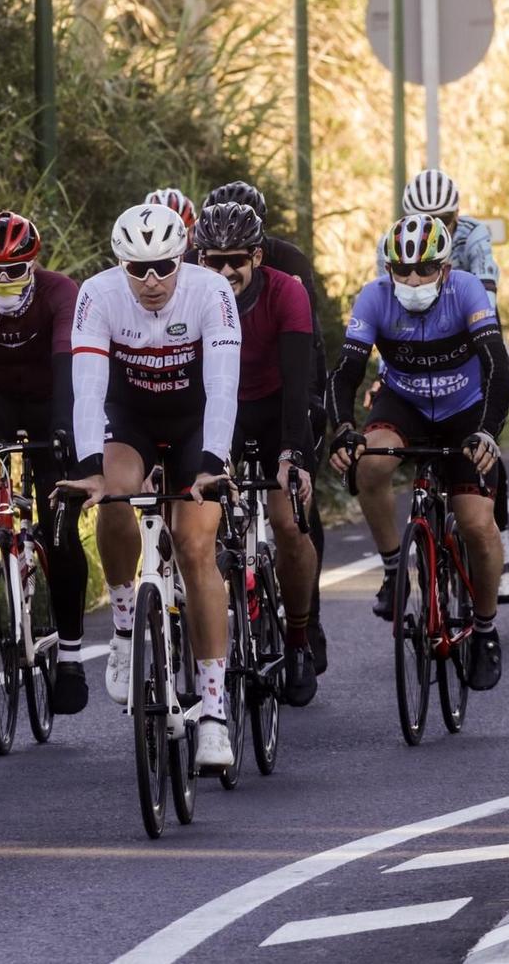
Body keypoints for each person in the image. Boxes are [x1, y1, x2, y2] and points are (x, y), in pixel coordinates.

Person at [68, 203, 242, 771]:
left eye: (163, 266)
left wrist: (214, 464)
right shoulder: (97, 294)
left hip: (195, 421)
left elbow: (222, 386)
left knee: (195, 548)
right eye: (136, 268)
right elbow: (89, 391)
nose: (150, 281)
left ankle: (214, 713)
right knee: (112, 498)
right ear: (119, 264)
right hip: (131, 417)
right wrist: (90, 465)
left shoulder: (211, 291)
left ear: (183, 256)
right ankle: (124, 626)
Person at [330, 214, 509, 690]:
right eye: (402, 271)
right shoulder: (374, 297)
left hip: (464, 409)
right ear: (388, 269)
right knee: (370, 461)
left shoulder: (468, 291)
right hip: (404, 402)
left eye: (425, 270)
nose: (412, 280)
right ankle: (394, 568)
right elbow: (347, 369)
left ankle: (487, 628)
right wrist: (344, 429)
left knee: (476, 524)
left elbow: (498, 366)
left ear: (445, 269)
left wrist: (489, 432)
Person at [0, 210, 90, 715]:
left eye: (16, 271)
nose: (5, 280)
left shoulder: (59, 292)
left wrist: (64, 432)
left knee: (60, 530)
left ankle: (71, 655)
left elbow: (67, 359)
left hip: (54, 395)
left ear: (34, 265)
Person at [192, 202, 322, 705]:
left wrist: (293, 454)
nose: (226, 272)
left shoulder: (287, 292)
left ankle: (298, 639)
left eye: (237, 260)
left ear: (258, 257)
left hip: (275, 408)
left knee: (289, 523)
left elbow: (297, 382)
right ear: (197, 258)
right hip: (219, 409)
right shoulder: (187, 295)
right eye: (213, 261)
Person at [376, 170, 509, 600]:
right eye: (425, 215)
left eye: (445, 218)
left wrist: (471, 334)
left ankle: (505, 543)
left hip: (467, 330)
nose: (437, 223)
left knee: (485, 444)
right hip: (412, 345)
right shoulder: (397, 239)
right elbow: (386, 298)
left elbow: (487, 293)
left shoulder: (474, 236)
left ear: (458, 216)